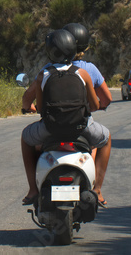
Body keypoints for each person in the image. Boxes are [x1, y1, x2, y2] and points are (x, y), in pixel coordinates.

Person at [21, 29, 110, 207]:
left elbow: (40, 107)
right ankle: (98, 189)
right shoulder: (83, 74)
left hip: (50, 129)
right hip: (81, 128)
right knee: (106, 139)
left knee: (25, 138)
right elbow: (93, 106)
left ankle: (32, 189)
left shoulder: (43, 75)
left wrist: (32, 108)